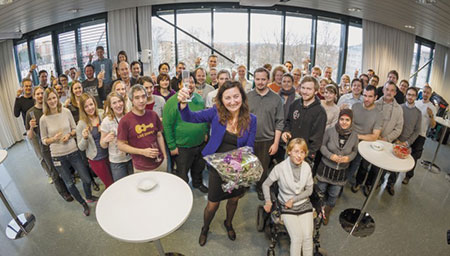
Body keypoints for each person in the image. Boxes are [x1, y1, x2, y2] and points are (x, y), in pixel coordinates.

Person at [177, 80, 257, 246]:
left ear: (242, 97)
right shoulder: (216, 112)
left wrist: (241, 165)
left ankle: (228, 223)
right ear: (221, 99)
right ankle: (205, 228)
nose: (232, 101)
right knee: (212, 204)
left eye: (236, 96)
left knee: (234, 200)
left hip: (237, 169)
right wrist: (183, 104)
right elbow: (190, 117)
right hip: (216, 167)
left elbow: (249, 146)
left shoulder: (251, 119)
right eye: (227, 98)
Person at [39, 88, 96, 216]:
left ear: (57, 98)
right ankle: (83, 203)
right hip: (58, 156)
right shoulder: (43, 119)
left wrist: (69, 135)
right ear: (46, 101)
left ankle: (88, 196)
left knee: (86, 179)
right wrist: (53, 139)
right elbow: (43, 140)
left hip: (73, 151)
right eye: (49, 99)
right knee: (70, 184)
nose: (53, 101)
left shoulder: (66, 111)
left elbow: (75, 129)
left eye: (54, 97)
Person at [262, 138, 314, 256]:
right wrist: (268, 201)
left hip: (303, 204)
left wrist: (294, 200)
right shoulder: (280, 168)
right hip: (286, 206)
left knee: (307, 238)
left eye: (302, 152)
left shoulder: (306, 167)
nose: (299, 156)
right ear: (289, 151)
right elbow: (266, 184)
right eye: (296, 151)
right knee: (297, 238)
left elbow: (310, 190)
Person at [163, 75, 209, 192]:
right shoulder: (172, 102)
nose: (190, 85)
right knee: (182, 172)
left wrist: (205, 132)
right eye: (186, 82)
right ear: (179, 85)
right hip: (182, 146)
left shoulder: (198, 98)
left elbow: (203, 118)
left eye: (192, 82)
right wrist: (172, 146)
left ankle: (197, 183)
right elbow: (167, 125)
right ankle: (183, 191)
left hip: (199, 143)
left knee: (198, 167)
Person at [25, 86, 72, 200]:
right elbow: (30, 136)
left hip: (60, 143)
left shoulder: (52, 107)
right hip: (46, 146)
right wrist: (31, 127)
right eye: (38, 94)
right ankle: (64, 193)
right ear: (34, 96)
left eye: (42, 93)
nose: (40, 96)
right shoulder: (30, 113)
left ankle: (70, 187)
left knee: (65, 167)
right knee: (53, 171)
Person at [248, 67, 284, 200]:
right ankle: (246, 185)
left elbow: (280, 122)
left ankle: (260, 188)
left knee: (262, 169)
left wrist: (275, 143)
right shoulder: (248, 96)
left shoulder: (276, 99)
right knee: (248, 165)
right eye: (257, 79)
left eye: (263, 79)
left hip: (267, 140)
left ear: (268, 80)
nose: (260, 82)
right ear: (254, 79)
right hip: (249, 140)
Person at [316, 109, 358, 225]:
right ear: (338, 119)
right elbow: (322, 146)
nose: (344, 122)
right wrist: (330, 156)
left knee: (334, 194)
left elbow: (354, 151)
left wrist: (348, 158)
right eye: (342, 119)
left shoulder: (354, 136)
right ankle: (317, 208)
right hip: (326, 168)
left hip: (341, 172)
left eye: (347, 120)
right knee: (320, 190)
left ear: (351, 121)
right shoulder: (329, 131)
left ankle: (327, 210)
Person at [363, 81, 404, 196]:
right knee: (365, 164)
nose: (389, 92)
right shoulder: (374, 104)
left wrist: (385, 139)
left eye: (392, 90)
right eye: (387, 89)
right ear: (383, 90)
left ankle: (371, 185)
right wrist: (375, 135)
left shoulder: (399, 110)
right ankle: (359, 182)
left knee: (378, 167)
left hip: (385, 143)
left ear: (395, 93)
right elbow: (367, 120)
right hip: (371, 139)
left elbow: (398, 129)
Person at [117, 85, 167, 172]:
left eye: (144, 96)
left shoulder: (153, 115)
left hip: (160, 163)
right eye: (137, 97)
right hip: (141, 168)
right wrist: (142, 152)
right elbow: (121, 145)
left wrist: (165, 156)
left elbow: (159, 136)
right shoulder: (125, 121)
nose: (141, 100)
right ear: (132, 100)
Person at [282, 76, 327, 164]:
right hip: (290, 151)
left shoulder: (320, 112)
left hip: (305, 156)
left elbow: (317, 139)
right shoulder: (295, 104)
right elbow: (288, 122)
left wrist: (306, 156)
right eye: (303, 88)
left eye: (309, 89)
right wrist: (286, 131)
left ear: (316, 91)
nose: (305, 92)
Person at [349, 85, 383, 189]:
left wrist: (357, 136)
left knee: (354, 166)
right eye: (365, 95)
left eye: (370, 96)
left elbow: (375, 136)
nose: (366, 99)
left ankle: (342, 185)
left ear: (376, 97)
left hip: (363, 145)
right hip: (349, 140)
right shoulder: (355, 107)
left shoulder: (378, 114)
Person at [76, 93, 114, 188]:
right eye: (86, 106)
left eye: (91, 104)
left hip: (110, 154)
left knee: (116, 180)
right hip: (97, 159)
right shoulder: (81, 124)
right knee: (109, 184)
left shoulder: (102, 115)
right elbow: (80, 147)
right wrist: (84, 138)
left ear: (95, 104)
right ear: (83, 109)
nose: (90, 108)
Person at [404, 85, 436, 182]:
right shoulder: (416, 103)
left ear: (430, 94)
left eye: (428, 93)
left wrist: (430, 115)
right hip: (410, 132)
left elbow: (433, 125)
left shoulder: (432, 107)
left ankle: (408, 176)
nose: (425, 94)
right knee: (403, 152)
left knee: (414, 156)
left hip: (421, 135)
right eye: (424, 92)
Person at [392, 87, 421, 188]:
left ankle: (390, 185)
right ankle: (380, 181)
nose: (410, 97)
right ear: (406, 95)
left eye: (413, 95)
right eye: (409, 94)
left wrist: (407, 143)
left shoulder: (418, 113)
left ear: (416, 97)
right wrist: (395, 139)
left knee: (398, 167)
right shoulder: (399, 108)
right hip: (394, 140)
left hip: (405, 144)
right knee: (389, 162)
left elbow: (417, 130)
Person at [100, 92, 133, 181]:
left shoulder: (129, 116)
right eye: (114, 103)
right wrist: (105, 140)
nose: (118, 105)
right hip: (117, 161)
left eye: (120, 101)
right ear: (110, 106)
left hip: (131, 158)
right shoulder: (106, 122)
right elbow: (102, 145)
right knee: (121, 186)